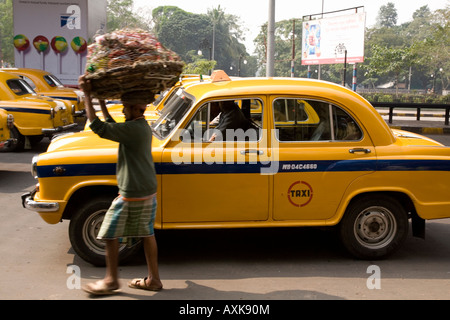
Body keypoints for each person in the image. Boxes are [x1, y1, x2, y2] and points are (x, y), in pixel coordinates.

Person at [79, 75, 162, 296]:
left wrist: (88, 95)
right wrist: (103, 102)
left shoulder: (134, 129)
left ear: (136, 109)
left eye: (126, 107)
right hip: (145, 189)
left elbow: (99, 127)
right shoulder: (139, 126)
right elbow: (114, 126)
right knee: (147, 233)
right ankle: (153, 279)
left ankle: (111, 280)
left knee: (108, 232)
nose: (123, 110)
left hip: (134, 192)